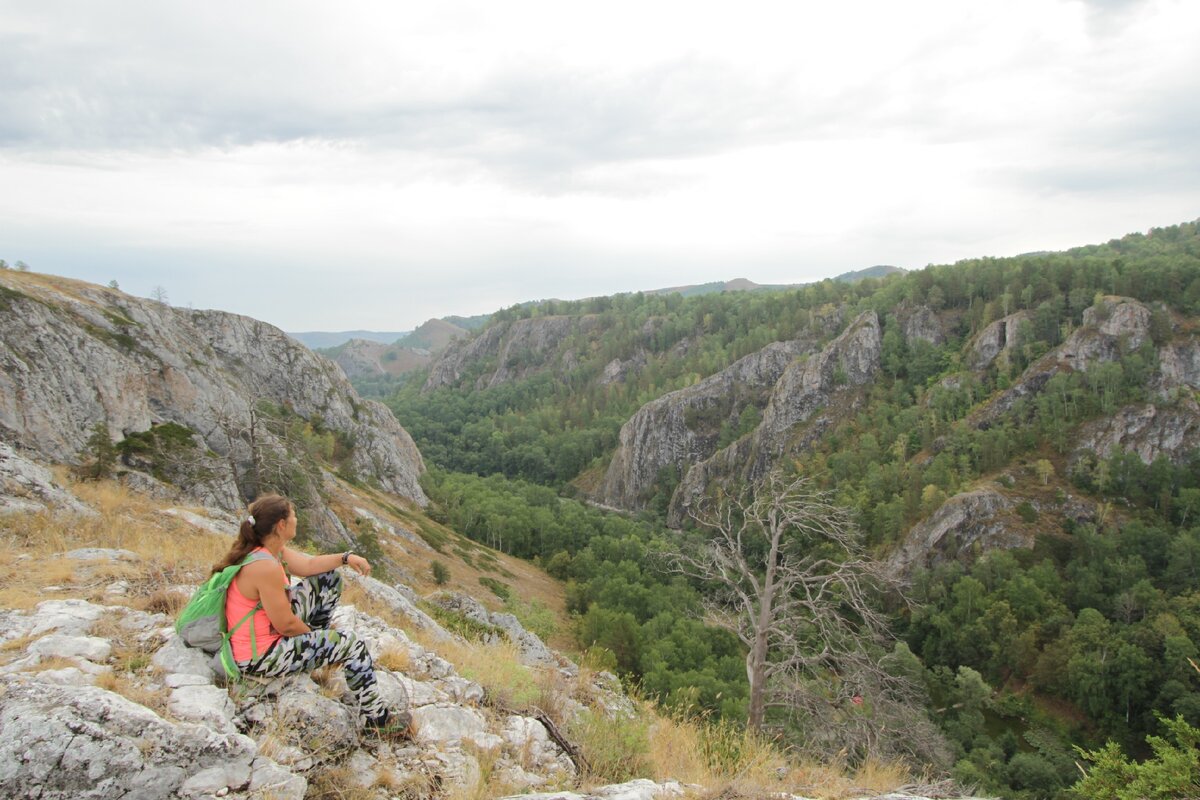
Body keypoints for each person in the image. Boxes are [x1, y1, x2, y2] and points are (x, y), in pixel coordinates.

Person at [212, 493, 407, 734]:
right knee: (352, 645)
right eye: (293, 515)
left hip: (264, 639)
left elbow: (309, 566)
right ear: (281, 525)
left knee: (328, 579)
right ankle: (377, 721)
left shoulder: (268, 551)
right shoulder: (265, 567)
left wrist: (345, 558)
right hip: (258, 658)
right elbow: (286, 625)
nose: (297, 519)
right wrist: (323, 643)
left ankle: (315, 655)